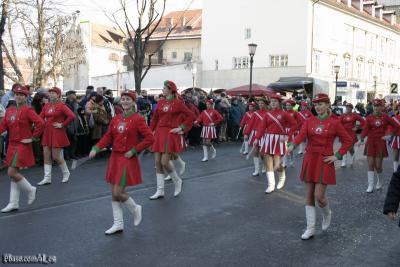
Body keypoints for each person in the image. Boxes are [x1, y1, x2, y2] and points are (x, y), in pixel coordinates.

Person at [287, 93, 352, 240]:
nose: (318, 107)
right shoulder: (309, 121)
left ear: (328, 105)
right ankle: (310, 229)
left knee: (319, 197)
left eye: (321, 104)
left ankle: (327, 213)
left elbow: (348, 140)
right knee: (309, 195)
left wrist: (338, 155)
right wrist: (292, 145)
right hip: (310, 159)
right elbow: (301, 135)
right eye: (316, 104)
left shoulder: (335, 122)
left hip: (325, 160)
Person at [89, 90, 154, 234]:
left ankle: (135, 208)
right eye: (123, 99)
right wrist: (96, 147)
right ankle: (118, 224)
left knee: (119, 192)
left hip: (128, 157)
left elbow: (150, 138)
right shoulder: (116, 119)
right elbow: (108, 137)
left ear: (133, 102)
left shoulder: (138, 119)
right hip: (115, 157)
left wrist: (134, 151)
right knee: (113, 193)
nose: (124, 101)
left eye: (128, 99)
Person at [1, 86, 44, 213]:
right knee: (13, 174)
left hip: (22, 145)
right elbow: (3, 125)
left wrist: (32, 138)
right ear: (14, 96)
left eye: (22, 95)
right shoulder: (10, 110)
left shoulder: (28, 110)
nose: (19, 96)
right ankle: (13, 203)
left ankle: (31, 189)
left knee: (11, 172)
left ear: (26, 97)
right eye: (17, 94)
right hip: (12, 145)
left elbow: (41, 123)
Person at [149, 80, 195, 200]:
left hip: (170, 133)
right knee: (157, 162)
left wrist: (181, 128)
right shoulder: (160, 103)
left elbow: (191, 116)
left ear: (170, 90)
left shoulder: (178, 103)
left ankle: (177, 181)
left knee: (165, 162)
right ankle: (160, 190)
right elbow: (154, 119)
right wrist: (150, 132)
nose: (162, 90)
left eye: (164, 88)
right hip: (159, 133)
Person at [254, 94, 297, 193]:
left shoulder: (284, 113)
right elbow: (262, 127)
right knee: (268, 162)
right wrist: (257, 138)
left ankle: (282, 177)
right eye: (271, 101)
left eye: (275, 101)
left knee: (276, 165)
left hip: (279, 140)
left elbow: (294, 125)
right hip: (268, 139)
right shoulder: (267, 114)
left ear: (279, 103)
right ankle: (271, 185)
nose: (273, 103)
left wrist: (288, 135)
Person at [357, 99, 400, 193]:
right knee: (370, 164)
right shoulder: (369, 117)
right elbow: (365, 130)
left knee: (378, 165)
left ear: (382, 107)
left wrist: (390, 136)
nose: (376, 108)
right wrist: (361, 139)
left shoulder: (386, 117)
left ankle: (380, 182)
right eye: (375, 106)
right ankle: (370, 185)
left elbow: (397, 126)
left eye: (378, 106)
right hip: (371, 142)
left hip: (380, 143)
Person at [37, 87, 75, 185]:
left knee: (56, 156)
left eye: (54, 93)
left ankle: (66, 173)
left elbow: (72, 116)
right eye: (51, 93)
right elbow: (40, 117)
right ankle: (47, 178)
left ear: (58, 95)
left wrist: (62, 124)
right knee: (46, 155)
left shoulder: (62, 105)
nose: (52, 94)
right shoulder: (47, 105)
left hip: (57, 132)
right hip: (47, 131)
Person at [244, 98, 269, 176]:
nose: (261, 105)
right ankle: (257, 170)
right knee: (256, 152)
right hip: (256, 134)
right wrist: (246, 133)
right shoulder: (255, 113)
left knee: (263, 154)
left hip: (265, 134)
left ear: (265, 104)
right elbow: (250, 124)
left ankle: (264, 166)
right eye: (259, 103)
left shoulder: (269, 113)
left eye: (262, 103)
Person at [339, 103, 365, 168]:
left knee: (350, 148)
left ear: (351, 108)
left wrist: (357, 127)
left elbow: (363, 121)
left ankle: (352, 157)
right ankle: (344, 162)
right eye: (346, 107)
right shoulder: (343, 115)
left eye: (349, 107)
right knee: (344, 147)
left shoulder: (354, 115)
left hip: (351, 133)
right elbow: (338, 123)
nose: (347, 108)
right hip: (344, 133)